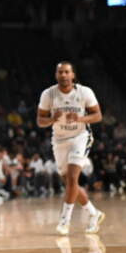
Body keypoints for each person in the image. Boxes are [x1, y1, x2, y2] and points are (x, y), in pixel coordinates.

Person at [37, 61, 106, 236]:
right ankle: (94, 213)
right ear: (56, 75)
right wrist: (52, 119)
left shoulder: (85, 92)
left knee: (73, 177)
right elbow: (40, 120)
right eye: (60, 72)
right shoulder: (48, 94)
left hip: (80, 137)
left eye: (67, 72)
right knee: (70, 184)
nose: (64, 75)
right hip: (59, 140)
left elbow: (98, 115)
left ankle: (64, 220)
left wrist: (80, 119)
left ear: (73, 75)